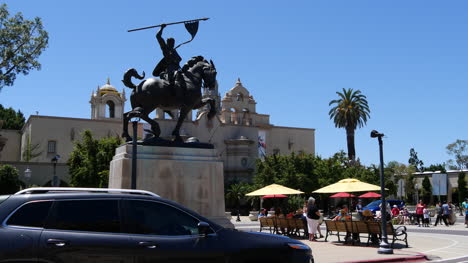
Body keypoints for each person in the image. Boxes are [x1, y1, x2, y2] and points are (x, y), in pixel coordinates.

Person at [153, 24, 183, 90]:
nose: (172, 44)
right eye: (171, 42)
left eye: (173, 43)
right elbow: (158, 36)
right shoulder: (165, 48)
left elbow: (179, 59)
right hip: (170, 69)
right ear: (167, 43)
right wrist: (162, 28)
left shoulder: (174, 51)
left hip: (178, 68)